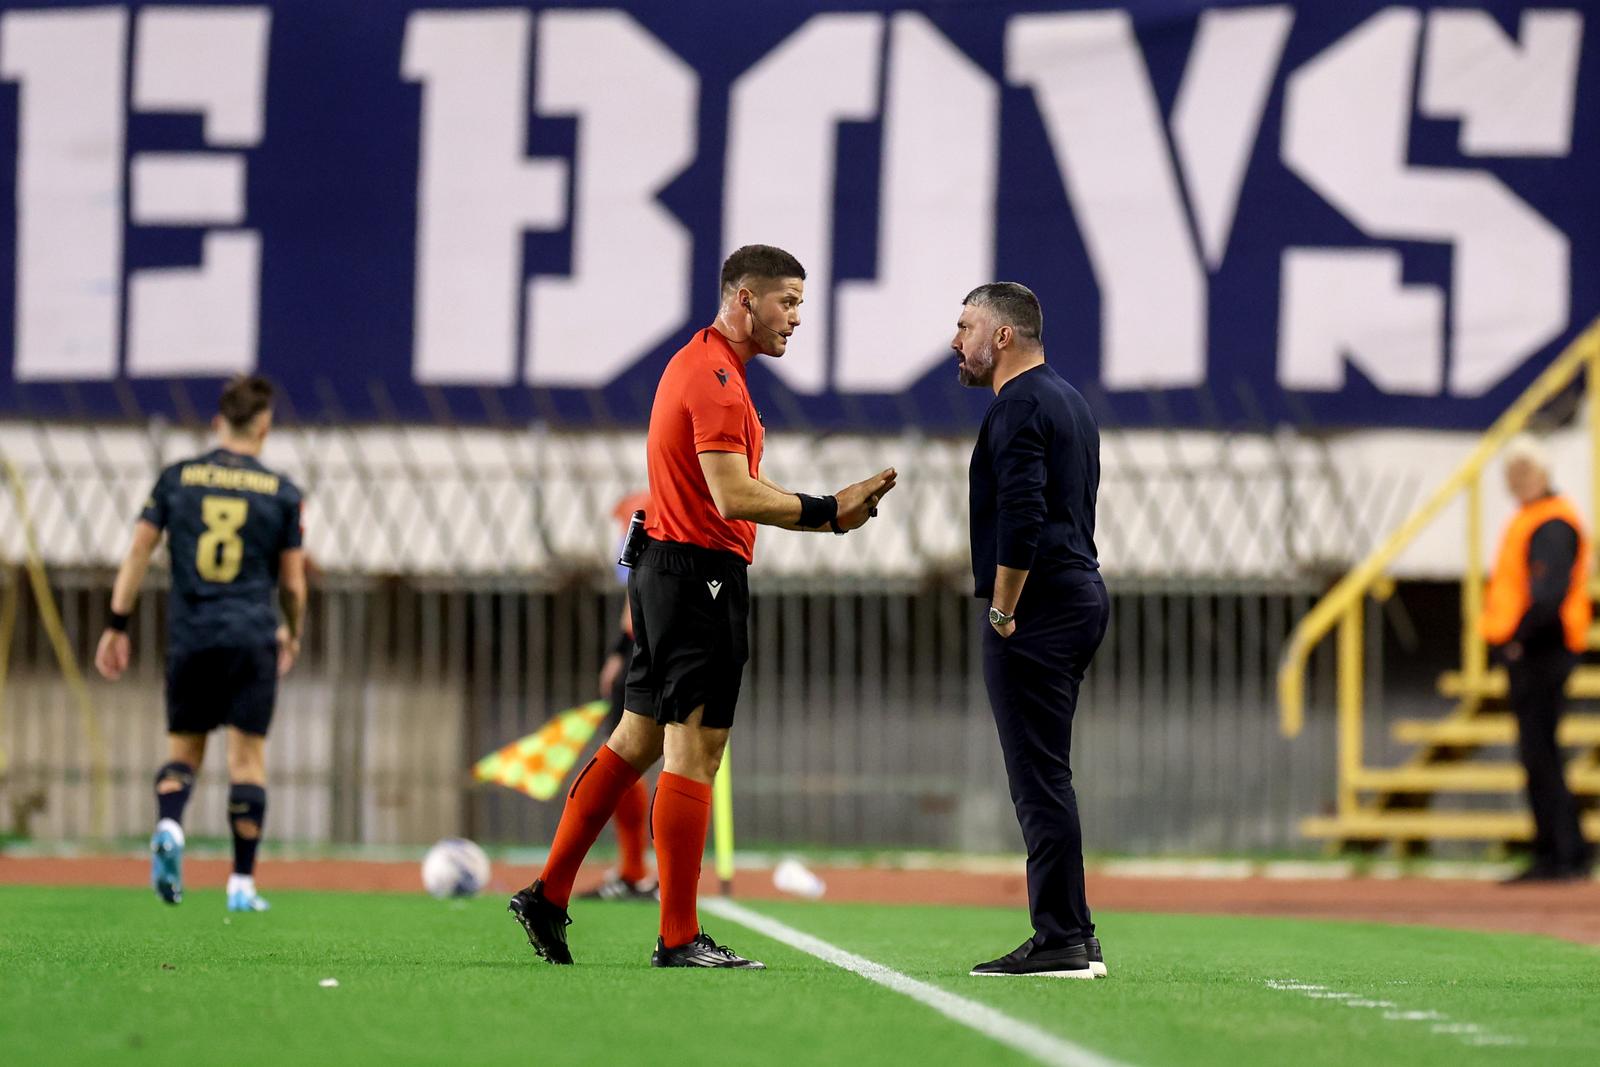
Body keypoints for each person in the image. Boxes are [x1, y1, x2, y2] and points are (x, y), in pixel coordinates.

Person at [508, 244, 896, 968]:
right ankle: (679, 936)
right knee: (697, 747)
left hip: (666, 568)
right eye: (788, 301)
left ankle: (547, 892)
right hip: (698, 576)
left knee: (636, 740)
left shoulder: (706, 364)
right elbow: (732, 493)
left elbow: (725, 484)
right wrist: (827, 510)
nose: (796, 317)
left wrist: (822, 511)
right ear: (745, 297)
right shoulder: (716, 377)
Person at [94, 376, 308, 912]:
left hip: (191, 636)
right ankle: (241, 885)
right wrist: (293, 628)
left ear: (218, 422)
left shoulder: (177, 478)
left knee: (183, 754)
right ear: (263, 424)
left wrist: (117, 624)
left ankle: (169, 824)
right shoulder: (281, 492)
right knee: (247, 761)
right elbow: (294, 583)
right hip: (252, 635)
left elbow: (139, 551)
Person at [955, 282, 1108, 979]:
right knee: (1049, 774)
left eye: (967, 326)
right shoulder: (1067, 398)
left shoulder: (1016, 403)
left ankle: (1062, 938)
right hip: (1079, 591)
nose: (957, 340)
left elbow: (1022, 512)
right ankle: (1074, 929)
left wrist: (1002, 607)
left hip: (1039, 604)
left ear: (1004, 335)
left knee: (1039, 779)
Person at [1483, 435, 1596, 883]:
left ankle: (1564, 852)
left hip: (1543, 648)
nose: (1516, 482)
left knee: (1542, 752)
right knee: (1539, 753)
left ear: (1543, 473)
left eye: (1524, 472)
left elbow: (1549, 595)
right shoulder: (1531, 519)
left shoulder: (1551, 523)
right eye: (1511, 474)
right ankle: (1558, 849)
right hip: (1534, 646)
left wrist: (1519, 639)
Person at [580, 490, 656, 902]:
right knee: (628, 763)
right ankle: (634, 871)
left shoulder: (646, 526)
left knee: (621, 762)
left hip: (649, 651)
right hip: (644, 647)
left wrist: (625, 653)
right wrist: (618, 652)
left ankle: (635, 872)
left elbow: (640, 604)